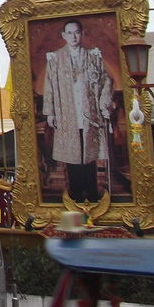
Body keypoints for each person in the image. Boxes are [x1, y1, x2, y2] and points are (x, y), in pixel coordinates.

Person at [42, 18, 115, 202]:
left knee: (89, 154)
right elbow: (49, 85)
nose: (73, 37)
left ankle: (92, 194)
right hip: (67, 112)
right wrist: (50, 112)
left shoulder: (93, 56)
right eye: (69, 33)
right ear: (64, 35)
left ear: (81, 34)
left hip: (88, 113)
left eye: (76, 32)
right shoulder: (55, 58)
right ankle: (75, 196)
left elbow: (105, 81)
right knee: (72, 155)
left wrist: (104, 104)